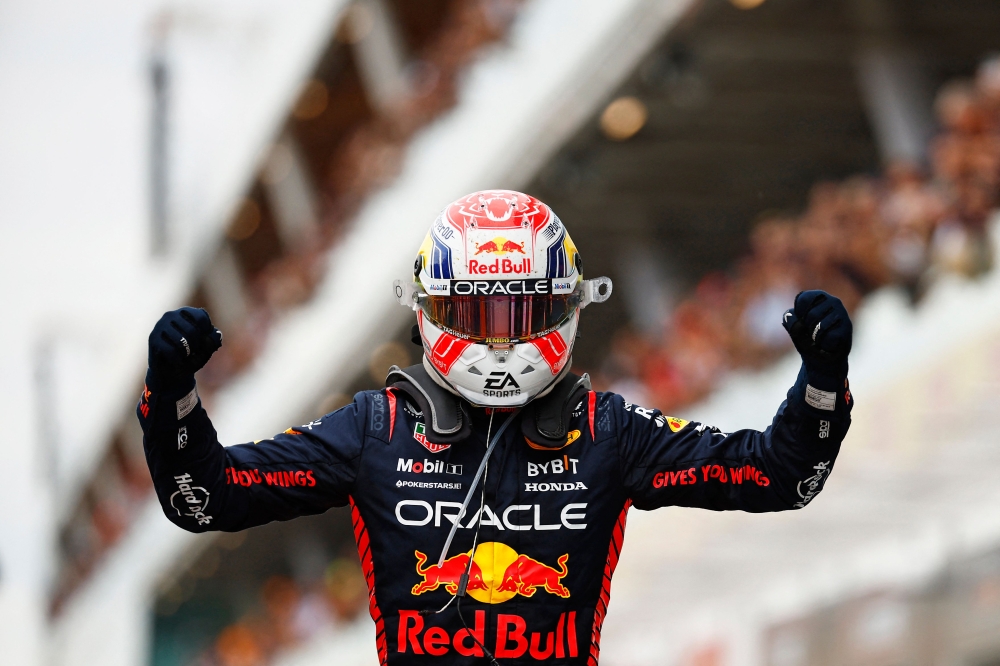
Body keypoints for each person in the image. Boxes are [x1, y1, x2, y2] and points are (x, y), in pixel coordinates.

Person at [139, 190, 853, 665]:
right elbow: (209, 497)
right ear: (429, 311)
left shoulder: (609, 429)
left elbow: (777, 476)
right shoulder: (373, 428)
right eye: (480, 315)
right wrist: (172, 397)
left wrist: (820, 384)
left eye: (523, 314)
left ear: (567, 309)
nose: (502, 341)